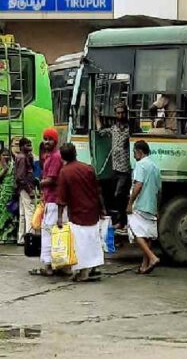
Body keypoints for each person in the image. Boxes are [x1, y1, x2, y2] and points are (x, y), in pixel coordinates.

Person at [55, 143, 106, 282]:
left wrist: (59, 217)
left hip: (77, 213)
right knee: (93, 240)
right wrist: (102, 209)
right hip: (92, 210)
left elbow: (61, 198)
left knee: (80, 244)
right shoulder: (88, 168)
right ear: (75, 153)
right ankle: (94, 268)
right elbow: (98, 191)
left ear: (62, 157)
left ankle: (83, 272)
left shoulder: (65, 172)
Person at [31, 128, 63, 276]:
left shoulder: (55, 157)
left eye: (49, 139)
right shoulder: (50, 155)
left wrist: (39, 183)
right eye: (45, 139)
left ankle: (48, 266)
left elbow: (51, 179)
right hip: (50, 199)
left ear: (55, 141)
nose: (46, 142)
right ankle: (55, 265)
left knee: (48, 232)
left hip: (53, 201)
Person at [95, 101, 132, 227]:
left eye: (123, 113)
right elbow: (100, 131)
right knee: (115, 195)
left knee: (119, 194)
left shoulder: (130, 128)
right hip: (115, 168)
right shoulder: (114, 128)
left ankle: (123, 221)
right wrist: (97, 116)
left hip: (126, 169)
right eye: (118, 113)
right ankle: (121, 220)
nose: (120, 116)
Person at [127, 140, 161, 274]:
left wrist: (130, 203)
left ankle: (152, 257)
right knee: (147, 235)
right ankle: (144, 265)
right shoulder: (155, 166)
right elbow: (159, 191)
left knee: (135, 232)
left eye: (134, 152)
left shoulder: (140, 165)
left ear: (139, 152)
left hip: (140, 205)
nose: (133, 155)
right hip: (151, 205)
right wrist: (157, 208)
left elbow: (138, 185)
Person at [14, 137, 37, 246]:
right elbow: (21, 177)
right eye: (28, 145)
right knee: (29, 212)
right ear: (22, 146)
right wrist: (30, 190)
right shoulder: (22, 158)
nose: (30, 147)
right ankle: (29, 238)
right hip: (25, 188)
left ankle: (21, 238)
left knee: (23, 214)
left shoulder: (22, 157)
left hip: (21, 188)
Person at [0, 143, 14, 243]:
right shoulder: (3, 165)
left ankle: (6, 236)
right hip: (3, 192)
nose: (6, 157)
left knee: (8, 214)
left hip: (9, 193)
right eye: (4, 155)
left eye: (7, 155)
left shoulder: (12, 165)